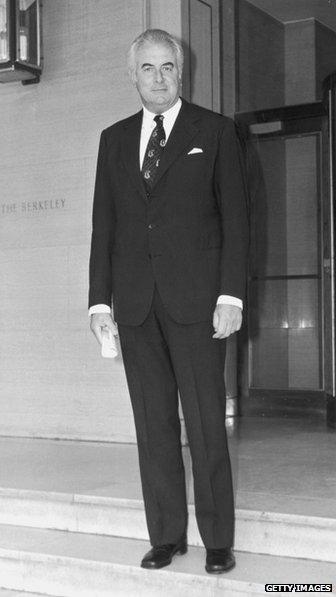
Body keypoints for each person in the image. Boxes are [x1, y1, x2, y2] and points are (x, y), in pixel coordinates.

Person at [89, 28, 248, 574]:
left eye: (168, 68)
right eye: (148, 68)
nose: (159, 78)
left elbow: (238, 221)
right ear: (132, 75)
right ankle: (166, 535)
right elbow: (103, 226)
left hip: (200, 305)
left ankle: (219, 540)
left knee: (205, 425)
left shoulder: (217, 131)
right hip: (135, 307)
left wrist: (231, 294)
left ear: (182, 73)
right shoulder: (113, 139)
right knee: (153, 426)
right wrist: (98, 302)